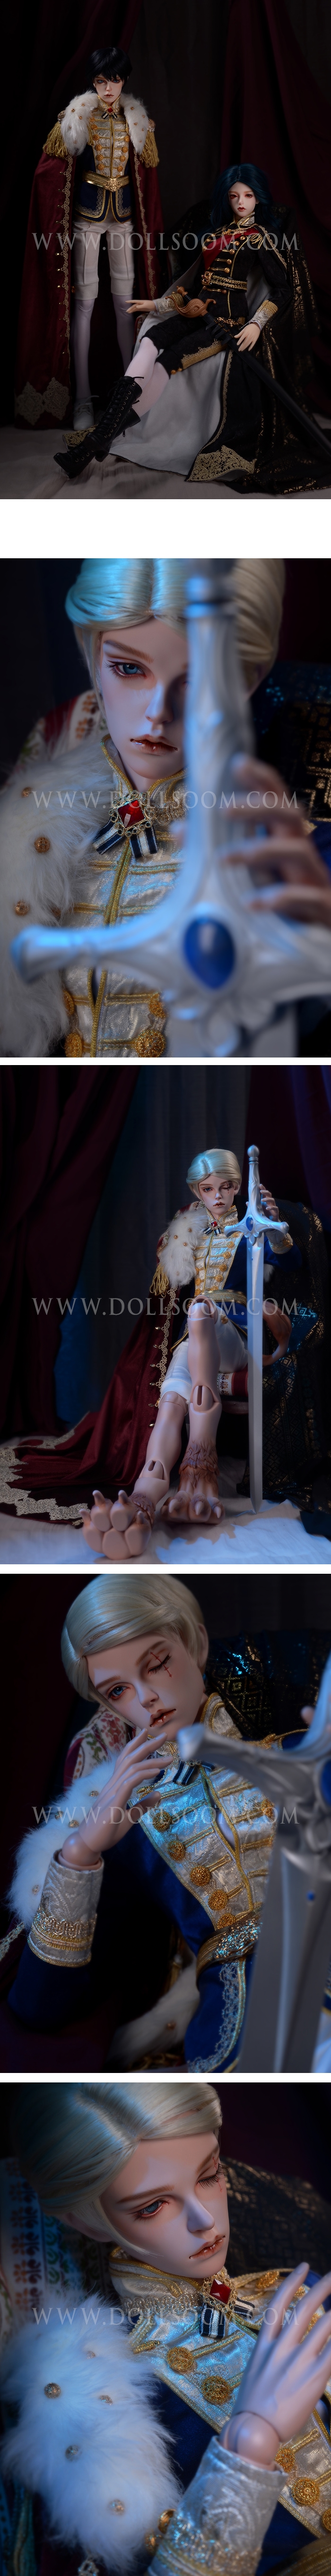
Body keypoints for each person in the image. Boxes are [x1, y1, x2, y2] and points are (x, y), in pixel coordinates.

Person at [2, 556, 331, 1062]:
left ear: (246, 682)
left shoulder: (291, 855)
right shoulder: (33, 827)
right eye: (128, 669)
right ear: (93, 656)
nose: (158, 713)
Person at [2, 2080, 331, 2576]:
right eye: (153, 2206)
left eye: (210, 2175)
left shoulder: (291, 2291)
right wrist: (248, 2446)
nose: (204, 2220)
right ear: (87, 2222)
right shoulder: (112, 2386)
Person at [6, 1572, 289, 2068]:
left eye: (157, 1665)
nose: (145, 1698)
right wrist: (80, 1853)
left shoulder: (289, 1723)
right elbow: (39, 2007)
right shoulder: (132, 1820)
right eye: (118, 1690)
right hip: (244, 2027)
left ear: (196, 1644)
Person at [57, 161, 331, 489]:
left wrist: (257, 324)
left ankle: (96, 443)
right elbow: (194, 288)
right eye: (234, 196)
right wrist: (156, 305)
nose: (241, 202)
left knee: (166, 363)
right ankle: (101, 438)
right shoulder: (215, 236)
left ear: (258, 198)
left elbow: (283, 290)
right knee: (151, 339)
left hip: (225, 324)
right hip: (194, 313)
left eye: (248, 195)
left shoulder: (260, 238)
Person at [15, 48, 162, 434]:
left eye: (114, 80)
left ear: (124, 81)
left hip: (124, 220)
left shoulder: (138, 122)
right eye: (101, 81)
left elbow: (147, 178)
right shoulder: (77, 118)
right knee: (83, 305)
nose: (108, 88)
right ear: (93, 82)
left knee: (126, 307)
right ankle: (82, 397)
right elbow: (49, 173)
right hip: (86, 219)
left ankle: (129, 396)